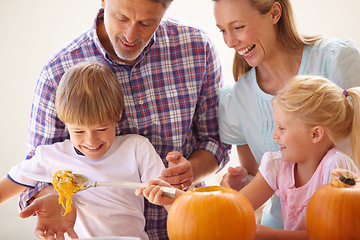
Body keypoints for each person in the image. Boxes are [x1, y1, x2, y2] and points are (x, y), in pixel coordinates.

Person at [18, 0, 231, 239]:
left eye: (146, 23)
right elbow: (33, 176)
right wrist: (52, 196)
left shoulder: (196, 48)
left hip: (187, 229)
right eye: (121, 18)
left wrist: (191, 170)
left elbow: (215, 141)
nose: (131, 35)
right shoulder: (57, 72)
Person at [138, 75, 360, 240]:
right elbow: (230, 212)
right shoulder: (277, 165)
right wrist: (178, 199)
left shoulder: (337, 169)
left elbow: (330, 235)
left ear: (315, 134)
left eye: (282, 128)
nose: (274, 135)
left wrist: (258, 232)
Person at [213, 0, 360, 229]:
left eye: (238, 27)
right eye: (222, 30)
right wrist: (243, 182)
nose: (229, 42)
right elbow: (261, 179)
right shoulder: (236, 99)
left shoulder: (336, 59)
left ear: (274, 13)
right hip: (277, 228)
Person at [0, 62, 169, 240]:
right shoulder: (50, 157)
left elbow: (174, 203)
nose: (91, 141)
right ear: (64, 122)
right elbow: (5, 188)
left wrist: (167, 196)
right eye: (78, 131)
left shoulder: (137, 149)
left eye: (101, 129)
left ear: (118, 114)